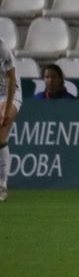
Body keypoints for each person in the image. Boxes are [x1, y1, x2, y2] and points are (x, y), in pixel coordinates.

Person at [0, 34, 19, 201]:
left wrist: (6, 110)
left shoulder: (2, 48)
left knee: (0, 134)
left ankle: (2, 185)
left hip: (10, 94)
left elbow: (12, 80)